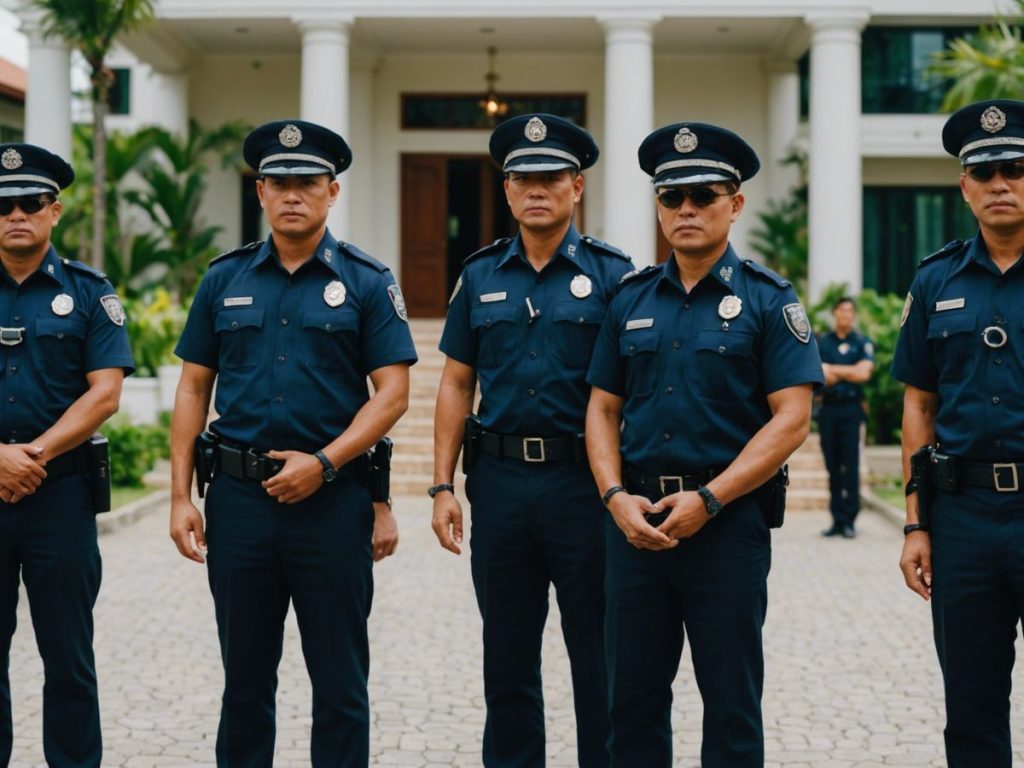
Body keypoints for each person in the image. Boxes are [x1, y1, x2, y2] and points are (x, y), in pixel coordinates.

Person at [169, 119, 416, 766]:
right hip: (240, 505)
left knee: (340, 683)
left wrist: (328, 463)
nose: (292, 195)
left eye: (307, 182)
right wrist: (178, 498)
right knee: (245, 683)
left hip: (333, 505)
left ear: (332, 191)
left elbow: (391, 393)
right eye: (279, 183)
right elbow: (194, 388)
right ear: (260, 193)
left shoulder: (366, 280)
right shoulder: (223, 280)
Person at [585, 122, 823, 767]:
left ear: (735, 204)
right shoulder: (628, 299)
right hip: (636, 528)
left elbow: (792, 418)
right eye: (671, 197)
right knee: (629, 704)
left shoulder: (769, 300)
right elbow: (602, 409)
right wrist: (613, 497)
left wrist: (710, 500)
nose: (685, 209)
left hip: (727, 528)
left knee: (731, 704)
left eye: (704, 195)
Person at [431, 113, 632, 767]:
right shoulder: (480, 274)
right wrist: (442, 484)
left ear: (577, 186)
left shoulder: (614, 275)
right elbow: (457, 382)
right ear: (508, 189)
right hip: (503, 486)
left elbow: (632, 387)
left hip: (586, 488)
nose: (536, 189)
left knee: (599, 656)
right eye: (523, 178)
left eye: (550, 177)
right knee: (508, 657)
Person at [894, 98, 1024, 768]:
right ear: (964, 185)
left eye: (1016, 168)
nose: (1000, 183)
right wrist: (916, 523)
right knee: (970, 704)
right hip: (964, 515)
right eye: (984, 172)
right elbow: (918, 405)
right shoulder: (935, 278)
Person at [0, 143, 134, 766]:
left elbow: (105, 393)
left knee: (69, 659)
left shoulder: (89, 292)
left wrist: (32, 456)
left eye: (30, 203)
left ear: (55, 211)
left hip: (60, 498)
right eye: (3, 205)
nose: (15, 214)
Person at [817, 296, 875, 539]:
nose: (846, 315)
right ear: (835, 314)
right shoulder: (822, 343)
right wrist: (849, 370)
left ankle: (850, 519)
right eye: (842, 311)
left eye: (850, 311)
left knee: (850, 467)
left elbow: (864, 374)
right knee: (832, 467)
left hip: (851, 410)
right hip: (829, 410)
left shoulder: (862, 342)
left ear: (854, 315)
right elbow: (820, 375)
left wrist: (833, 370)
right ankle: (836, 519)